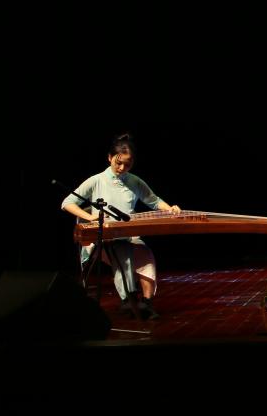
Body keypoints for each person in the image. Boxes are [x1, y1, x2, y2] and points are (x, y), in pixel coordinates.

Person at [61, 134, 180, 318]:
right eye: (118, 163)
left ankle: (146, 302)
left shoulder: (134, 181)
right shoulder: (97, 180)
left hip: (127, 233)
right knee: (123, 249)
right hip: (102, 237)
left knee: (146, 255)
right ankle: (128, 300)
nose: (122, 168)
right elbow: (67, 203)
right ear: (109, 157)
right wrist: (90, 217)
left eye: (127, 164)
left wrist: (170, 208)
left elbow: (154, 201)